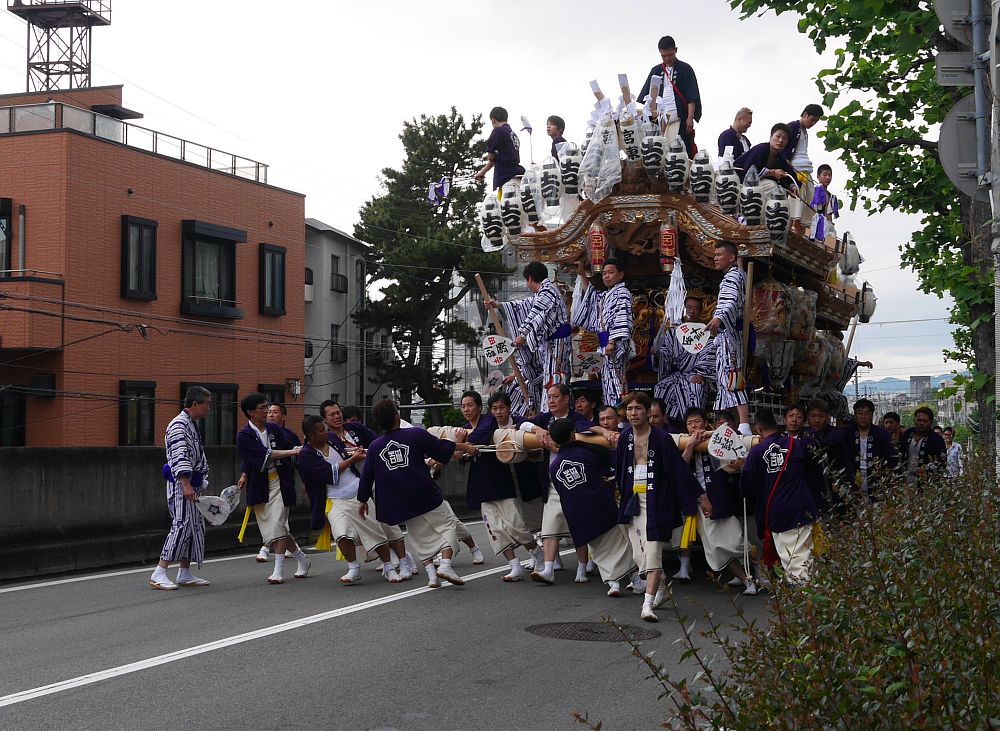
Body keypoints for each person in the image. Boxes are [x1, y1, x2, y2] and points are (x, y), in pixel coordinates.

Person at [358, 399, 478, 588]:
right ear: (397, 417)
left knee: (419, 538)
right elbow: (440, 449)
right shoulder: (415, 434)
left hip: (401, 501)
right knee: (447, 525)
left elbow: (366, 476)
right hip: (424, 493)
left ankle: (432, 576)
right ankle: (445, 565)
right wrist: (464, 446)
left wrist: (362, 500)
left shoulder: (374, 446)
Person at [616, 391, 705, 622]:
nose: (633, 413)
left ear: (647, 412)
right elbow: (620, 469)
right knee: (640, 554)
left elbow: (678, 471)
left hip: (656, 500)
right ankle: (662, 588)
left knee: (653, 551)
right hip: (632, 499)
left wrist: (700, 496)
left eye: (638, 408)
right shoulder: (624, 437)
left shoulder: (662, 438)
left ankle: (647, 605)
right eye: (629, 409)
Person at [520, 384, 617, 585]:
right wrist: (536, 429)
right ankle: (548, 569)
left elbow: (588, 427)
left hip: (577, 481)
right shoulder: (545, 419)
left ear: (566, 399)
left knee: (579, 524)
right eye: (549, 397)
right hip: (553, 480)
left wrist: (605, 432)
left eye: (555, 396)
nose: (551, 401)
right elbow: (521, 424)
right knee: (549, 525)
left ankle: (582, 567)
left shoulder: (575, 418)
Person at [296, 415, 404, 584]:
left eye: (324, 428)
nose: (325, 432)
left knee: (374, 531)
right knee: (341, 534)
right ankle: (353, 567)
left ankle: (389, 567)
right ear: (311, 435)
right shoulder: (306, 455)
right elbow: (328, 474)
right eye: (321, 430)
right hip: (334, 499)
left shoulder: (332, 439)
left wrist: (357, 454)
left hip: (357, 492)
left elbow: (345, 452)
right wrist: (352, 459)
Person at [320, 399, 421, 576]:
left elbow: (378, 443)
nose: (337, 416)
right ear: (324, 419)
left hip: (375, 478)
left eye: (338, 412)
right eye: (332, 414)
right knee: (359, 528)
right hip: (352, 488)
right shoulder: (326, 440)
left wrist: (367, 454)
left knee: (387, 522)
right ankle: (384, 559)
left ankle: (404, 559)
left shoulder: (355, 428)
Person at [459, 390, 545, 581]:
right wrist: (462, 447)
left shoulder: (488, 421)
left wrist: (465, 444)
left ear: (479, 408)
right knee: (495, 530)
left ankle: (539, 555)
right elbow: (461, 457)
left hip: (501, 482)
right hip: (482, 484)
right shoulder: (464, 429)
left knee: (516, 525)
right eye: (463, 406)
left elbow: (476, 439)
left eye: (470, 405)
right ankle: (514, 566)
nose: (466, 409)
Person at [548, 418, 638, 597]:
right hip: (601, 506)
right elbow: (609, 467)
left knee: (598, 551)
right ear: (573, 434)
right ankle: (635, 580)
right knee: (619, 546)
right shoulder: (587, 452)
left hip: (577, 514)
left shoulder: (554, 466)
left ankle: (613, 583)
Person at [741, 408, 827, 585]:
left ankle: (802, 595)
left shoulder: (756, 452)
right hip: (800, 508)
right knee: (801, 560)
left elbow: (746, 487)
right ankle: (806, 596)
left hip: (774, 512)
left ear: (758, 429)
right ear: (777, 424)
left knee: (788, 560)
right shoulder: (796, 445)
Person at [680, 408, 757, 594]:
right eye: (690, 423)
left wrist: (713, 436)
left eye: (697, 421)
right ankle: (747, 581)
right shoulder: (682, 442)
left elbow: (734, 460)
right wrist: (690, 446)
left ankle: (762, 573)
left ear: (705, 423)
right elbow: (680, 470)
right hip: (699, 504)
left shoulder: (716, 439)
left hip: (719, 500)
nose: (694, 426)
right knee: (715, 549)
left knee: (737, 542)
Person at [235, 393, 307, 585]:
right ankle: (301, 557)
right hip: (259, 485)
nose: (267, 411)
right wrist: (292, 451)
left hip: (280, 482)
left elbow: (295, 448)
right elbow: (260, 456)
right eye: (263, 407)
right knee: (275, 529)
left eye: (268, 406)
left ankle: (278, 570)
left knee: (277, 524)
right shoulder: (244, 435)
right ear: (251, 412)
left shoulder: (275, 429)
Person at [150, 386, 213, 590]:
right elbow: (179, 456)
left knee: (195, 527)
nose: (209, 408)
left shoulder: (190, 424)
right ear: (195, 404)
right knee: (182, 524)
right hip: (181, 483)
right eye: (207, 404)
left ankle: (184, 572)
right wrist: (186, 483)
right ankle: (160, 571)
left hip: (192, 483)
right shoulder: (179, 425)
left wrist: (199, 480)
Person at [488, 262, 571, 412]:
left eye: (527, 281)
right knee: (552, 378)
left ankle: (555, 414)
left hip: (558, 344)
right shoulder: (543, 293)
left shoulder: (548, 291)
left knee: (555, 378)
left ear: (530, 278)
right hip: (551, 345)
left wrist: (522, 335)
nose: (527, 285)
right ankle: (552, 413)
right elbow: (523, 305)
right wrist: (498, 305)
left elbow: (534, 314)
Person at [571, 258, 634, 408]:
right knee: (608, 380)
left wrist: (612, 341)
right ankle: (612, 410)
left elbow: (621, 318)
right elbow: (591, 295)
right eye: (604, 273)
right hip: (604, 344)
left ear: (620, 275)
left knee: (617, 379)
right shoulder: (606, 295)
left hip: (614, 344)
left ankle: (618, 412)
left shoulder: (622, 293)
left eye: (611, 273)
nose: (606, 276)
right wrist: (582, 274)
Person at [707, 242, 752, 435]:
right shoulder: (735, 275)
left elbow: (730, 300)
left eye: (719, 254)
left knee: (732, 373)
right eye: (715, 255)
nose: (715, 258)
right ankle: (728, 422)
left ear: (731, 257)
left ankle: (744, 423)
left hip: (730, 333)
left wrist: (718, 317)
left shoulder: (733, 276)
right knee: (725, 376)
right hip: (727, 333)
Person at [487, 391, 546, 535]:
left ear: (509, 408)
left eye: (501, 407)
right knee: (512, 519)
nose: (498, 412)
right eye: (494, 408)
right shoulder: (487, 427)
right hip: (502, 478)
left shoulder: (520, 422)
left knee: (536, 512)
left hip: (526, 473)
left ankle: (542, 536)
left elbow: (535, 445)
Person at [653, 294, 716, 430]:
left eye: (696, 308)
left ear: (700, 311)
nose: (692, 311)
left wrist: (701, 373)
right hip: (677, 375)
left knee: (694, 387)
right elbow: (666, 352)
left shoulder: (706, 333)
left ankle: (693, 426)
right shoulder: (673, 332)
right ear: (683, 309)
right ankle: (664, 425)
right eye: (689, 307)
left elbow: (710, 354)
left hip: (695, 374)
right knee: (661, 387)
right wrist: (658, 354)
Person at [637, 35, 702, 155]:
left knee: (680, 152)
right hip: (659, 123)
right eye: (664, 56)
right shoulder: (656, 71)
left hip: (680, 120)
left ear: (675, 50)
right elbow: (648, 99)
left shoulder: (686, 69)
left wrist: (690, 117)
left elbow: (691, 96)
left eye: (670, 55)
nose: (667, 59)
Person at [838, 398, 898, 501]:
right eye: (860, 413)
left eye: (867, 413)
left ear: (872, 415)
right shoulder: (846, 433)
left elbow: (892, 458)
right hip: (852, 478)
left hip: (876, 480)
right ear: (855, 415)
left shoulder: (882, 434)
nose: (863, 417)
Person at [733, 123, 798, 197]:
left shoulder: (780, 158)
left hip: (755, 185)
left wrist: (792, 186)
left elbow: (789, 173)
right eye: (777, 136)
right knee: (772, 186)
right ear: (771, 137)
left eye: (785, 138)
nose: (780, 140)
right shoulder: (760, 149)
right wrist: (772, 173)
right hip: (739, 182)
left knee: (781, 189)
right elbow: (749, 171)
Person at [781, 104, 824, 204]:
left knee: (810, 201)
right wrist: (785, 160)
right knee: (797, 203)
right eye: (812, 119)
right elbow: (780, 146)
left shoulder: (805, 132)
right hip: (795, 170)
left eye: (816, 121)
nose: (813, 123)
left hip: (805, 169)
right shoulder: (792, 127)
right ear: (805, 114)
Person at [475, 106, 525, 191]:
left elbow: (491, 158)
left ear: (493, 120)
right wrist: (483, 172)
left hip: (506, 178)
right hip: (518, 176)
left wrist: (482, 172)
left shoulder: (498, 131)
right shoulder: (512, 133)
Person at [901, 406, 947, 486]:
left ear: (930, 422)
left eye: (925, 421)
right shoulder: (908, 434)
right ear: (914, 420)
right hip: (906, 480)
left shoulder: (937, 439)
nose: (921, 423)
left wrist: (927, 469)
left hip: (927, 483)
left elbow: (942, 462)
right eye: (919, 420)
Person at [811, 164, 840, 240]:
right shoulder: (815, 191)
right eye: (825, 175)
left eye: (830, 175)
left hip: (828, 226)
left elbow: (829, 215)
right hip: (817, 224)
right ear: (818, 176)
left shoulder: (831, 196)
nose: (828, 177)